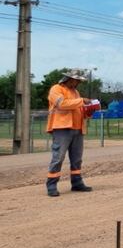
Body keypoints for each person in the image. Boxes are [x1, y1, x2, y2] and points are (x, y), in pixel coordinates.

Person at [45, 69, 93, 197]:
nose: (78, 83)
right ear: (70, 79)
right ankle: (52, 185)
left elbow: (78, 108)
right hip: (62, 128)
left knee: (77, 159)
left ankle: (77, 183)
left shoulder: (75, 92)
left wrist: (88, 111)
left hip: (77, 128)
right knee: (58, 157)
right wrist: (82, 101)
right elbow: (62, 104)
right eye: (77, 80)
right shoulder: (56, 89)